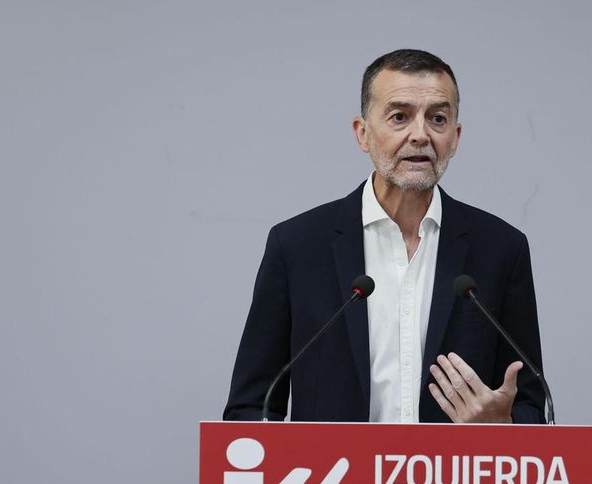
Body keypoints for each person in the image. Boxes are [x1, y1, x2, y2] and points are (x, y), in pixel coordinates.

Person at [223, 49, 545, 424]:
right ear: (363, 133)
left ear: (455, 138)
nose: (420, 135)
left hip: (449, 481)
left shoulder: (502, 249)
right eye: (399, 117)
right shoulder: (296, 246)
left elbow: (530, 405)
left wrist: (505, 429)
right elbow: (250, 409)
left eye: (437, 119)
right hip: (334, 481)